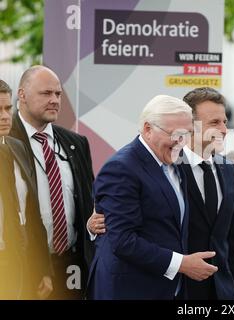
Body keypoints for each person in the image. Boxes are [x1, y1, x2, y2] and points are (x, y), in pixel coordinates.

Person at [88, 95, 218, 299]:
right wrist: (181, 264)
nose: (181, 142)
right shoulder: (121, 168)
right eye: (175, 134)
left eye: (187, 134)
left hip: (167, 290)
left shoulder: (175, 161)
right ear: (148, 129)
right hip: (129, 290)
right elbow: (123, 240)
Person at [9, 66, 95, 299]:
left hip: (71, 262)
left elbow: (88, 202)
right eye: (46, 94)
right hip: (27, 263)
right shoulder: (6, 141)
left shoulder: (76, 143)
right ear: (23, 95)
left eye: (58, 94)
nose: (55, 100)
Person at [181, 87, 234, 300]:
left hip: (223, 292)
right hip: (181, 291)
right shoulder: (169, 168)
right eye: (214, 123)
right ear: (190, 126)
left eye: (225, 122)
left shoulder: (230, 170)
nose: (224, 130)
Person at [0, 79, 52, 299]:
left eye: (7, 108)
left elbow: (32, 215)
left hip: (18, 262)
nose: (4, 115)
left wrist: (43, 270)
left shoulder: (18, 148)